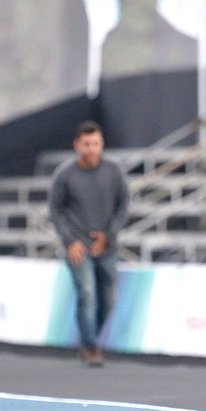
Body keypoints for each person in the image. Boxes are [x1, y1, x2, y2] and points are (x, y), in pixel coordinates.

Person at [49, 120, 129, 367]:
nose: (91, 148)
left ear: (101, 144)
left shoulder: (114, 171)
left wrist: (109, 234)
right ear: (77, 145)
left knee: (109, 299)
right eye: (86, 144)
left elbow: (123, 205)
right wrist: (70, 241)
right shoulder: (65, 175)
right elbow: (55, 211)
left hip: (106, 246)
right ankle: (90, 346)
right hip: (78, 247)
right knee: (87, 293)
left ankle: (91, 335)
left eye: (95, 143)